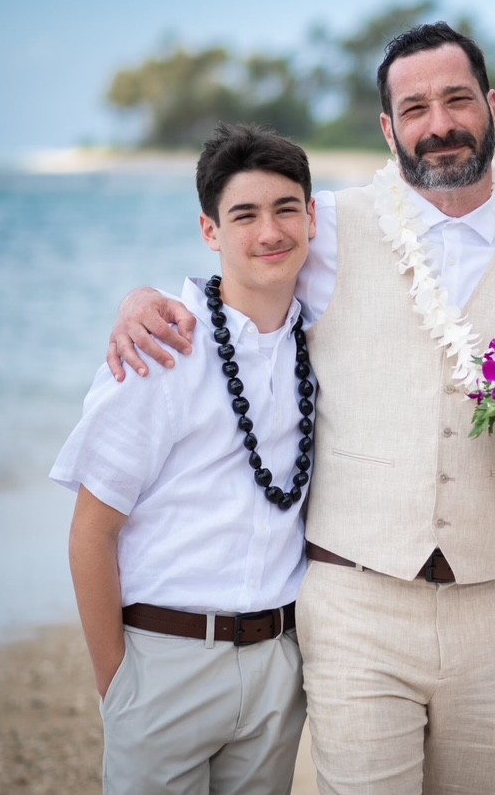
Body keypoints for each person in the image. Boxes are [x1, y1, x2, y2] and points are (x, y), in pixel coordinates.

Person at [107, 22, 495, 794]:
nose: (439, 125)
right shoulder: (325, 225)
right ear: (387, 127)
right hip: (354, 597)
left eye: (457, 100)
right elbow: (240, 267)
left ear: (493, 107)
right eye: (416, 107)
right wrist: (147, 301)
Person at [50, 123, 315, 794]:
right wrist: (120, 686)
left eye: (286, 208)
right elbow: (92, 529)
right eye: (244, 215)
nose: (269, 232)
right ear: (209, 231)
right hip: (165, 664)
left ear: (313, 217)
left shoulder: (318, 337)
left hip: (277, 670)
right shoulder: (160, 349)